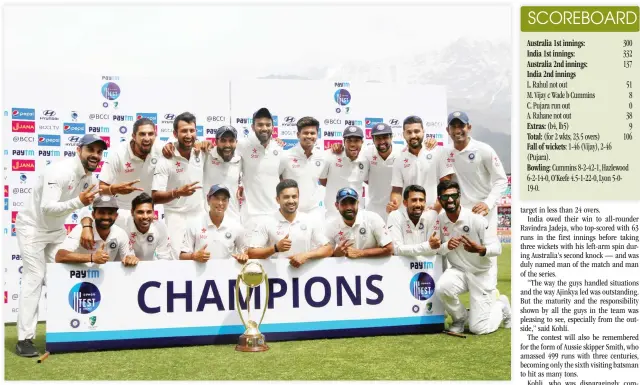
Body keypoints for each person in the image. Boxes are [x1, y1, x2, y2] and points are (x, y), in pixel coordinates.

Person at [13, 133, 104, 357]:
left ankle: (66, 331)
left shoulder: (90, 177)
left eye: (99, 152)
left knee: (63, 275)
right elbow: (47, 207)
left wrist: (86, 225)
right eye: (90, 150)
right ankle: (24, 339)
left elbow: (85, 207)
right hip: (32, 229)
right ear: (79, 149)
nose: (95, 155)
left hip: (55, 231)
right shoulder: (59, 171)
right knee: (34, 278)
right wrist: (78, 201)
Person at [433, 180, 511, 335]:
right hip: (458, 271)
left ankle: (501, 305)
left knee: (478, 329)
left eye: (454, 195)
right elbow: (437, 250)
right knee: (442, 288)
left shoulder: (476, 219)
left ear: (459, 196)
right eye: (445, 197)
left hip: (480, 274)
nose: (450, 200)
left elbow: (497, 248)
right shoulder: (440, 221)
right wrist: (446, 246)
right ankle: (460, 318)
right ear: (439, 198)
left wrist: (481, 249)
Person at [79, 117, 162, 248]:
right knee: (116, 253)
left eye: (150, 134)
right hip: (120, 212)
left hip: (144, 211)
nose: (147, 138)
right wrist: (114, 189)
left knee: (143, 254)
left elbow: (182, 145)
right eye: (142, 134)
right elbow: (101, 188)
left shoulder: (160, 149)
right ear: (133, 136)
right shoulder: (118, 154)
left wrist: (198, 144)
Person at [442, 111, 508, 239]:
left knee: (486, 252)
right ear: (447, 130)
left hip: (483, 210)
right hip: (459, 213)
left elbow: (501, 180)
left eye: (461, 126)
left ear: (469, 128)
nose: (457, 130)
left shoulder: (484, 150)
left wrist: (487, 203)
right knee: (460, 253)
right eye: (453, 126)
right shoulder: (445, 153)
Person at [151, 112, 204, 259]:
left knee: (202, 258)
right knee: (177, 259)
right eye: (184, 131)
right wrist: (177, 192)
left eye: (192, 130)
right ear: (175, 134)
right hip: (175, 216)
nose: (188, 135)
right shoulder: (166, 158)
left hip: (199, 215)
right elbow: (155, 197)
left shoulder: (201, 152)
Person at [247, 179, 332, 267]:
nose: (291, 201)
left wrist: (306, 255)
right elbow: (252, 253)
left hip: (305, 276)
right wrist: (275, 248)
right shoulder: (266, 222)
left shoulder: (309, 220)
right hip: (277, 277)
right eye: (286, 197)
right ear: (277, 199)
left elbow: (328, 249)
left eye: (294, 196)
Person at [388, 115, 454, 213]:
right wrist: (394, 203)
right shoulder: (399, 159)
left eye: (417, 131)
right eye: (409, 132)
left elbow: (446, 184)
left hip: (435, 211)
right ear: (403, 134)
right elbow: (397, 189)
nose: (413, 135)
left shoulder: (438, 152)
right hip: (410, 214)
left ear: (423, 131)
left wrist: (437, 207)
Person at [55, 196, 139, 266]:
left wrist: (130, 259)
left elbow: (128, 257)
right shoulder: (81, 230)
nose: (106, 217)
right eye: (101, 212)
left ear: (116, 216)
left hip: (106, 279)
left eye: (110, 213)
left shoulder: (120, 233)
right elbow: (60, 256)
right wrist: (92, 258)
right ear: (93, 215)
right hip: (80, 279)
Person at [180, 184, 247, 263]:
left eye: (224, 199)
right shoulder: (194, 224)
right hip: (200, 274)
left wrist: (243, 256)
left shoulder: (236, 227)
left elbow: (244, 252)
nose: (220, 203)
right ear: (208, 199)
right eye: (216, 198)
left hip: (227, 274)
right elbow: (182, 256)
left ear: (228, 202)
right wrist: (194, 256)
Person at [279, 117, 326, 222]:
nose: (309, 136)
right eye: (305, 133)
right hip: (290, 212)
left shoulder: (322, 157)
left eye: (312, 133)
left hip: (314, 212)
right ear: (298, 135)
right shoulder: (286, 156)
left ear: (317, 134)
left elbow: (324, 181)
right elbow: (274, 179)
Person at [325, 187, 393, 258]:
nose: (349, 207)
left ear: (358, 203)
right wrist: (335, 254)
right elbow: (326, 255)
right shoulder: (332, 227)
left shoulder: (373, 218)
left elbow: (390, 249)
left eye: (352, 203)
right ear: (336, 206)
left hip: (373, 268)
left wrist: (361, 253)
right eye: (344, 203)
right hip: (346, 268)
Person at [320, 126, 369, 222]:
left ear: (362, 142)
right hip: (333, 214)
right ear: (344, 142)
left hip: (357, 214)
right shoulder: (330, 156)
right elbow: (322, 180)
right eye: (349, 140)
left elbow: (368, 180)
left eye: (356, 141)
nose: (352, 144)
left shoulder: (366, 160)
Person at [201, 126, 243, 223]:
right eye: (223, 140)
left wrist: (275, 141)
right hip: (208, 218)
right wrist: (198, 143)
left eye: (231, 140)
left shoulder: (241, 159)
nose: (227, 145)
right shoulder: (206, 155)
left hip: (233, 219)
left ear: (236, 142)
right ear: (216, 142)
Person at [386, 185, 440, 257]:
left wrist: (407, 250)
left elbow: (434, 250)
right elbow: (396, 250)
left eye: (421, 200)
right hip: (401, 266)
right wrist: (427, 246)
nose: (418, 204)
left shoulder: (432, 215)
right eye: (414, 200)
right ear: (405, 203)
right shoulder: (394, 216)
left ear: (425, 202)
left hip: (427, 266)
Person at [124, 193, 173, 261]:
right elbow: (122, 255)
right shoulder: (124, 227)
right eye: (140, 212)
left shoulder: (161, 228)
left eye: (149, 212)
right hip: (128, 267)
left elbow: (164, 257)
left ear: (153, 212)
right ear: (132, 212)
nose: (145, 216)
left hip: (152, 267)